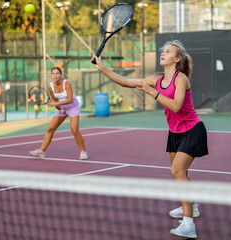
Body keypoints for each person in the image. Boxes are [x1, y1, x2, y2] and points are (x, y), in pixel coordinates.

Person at [91, 40, 208, 239]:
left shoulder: (180, 79)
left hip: (192, 130)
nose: (163, 53)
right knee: (180, 173)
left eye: (168, 51)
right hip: (175, 132)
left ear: (177, 59)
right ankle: (191, 206)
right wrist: (102, 68)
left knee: (177, 170)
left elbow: (176, 106)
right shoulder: (156, 78)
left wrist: (152, 93)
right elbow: (126, 82)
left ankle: (188, 225)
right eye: (163, 51)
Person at [29, 67, 88, 160]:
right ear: (51, 75)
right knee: (50, 129)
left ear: (61, 75)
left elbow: (70, 99)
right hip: (62, 107)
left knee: (74, 130)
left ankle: (83, 151)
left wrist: (56, 104)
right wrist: (59, 108)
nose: (55, 76)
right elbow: (54, 100)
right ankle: (41, 151)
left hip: (73, 107)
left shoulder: (67, 83)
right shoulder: (50, 86)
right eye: (53, 74)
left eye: (57, 73)